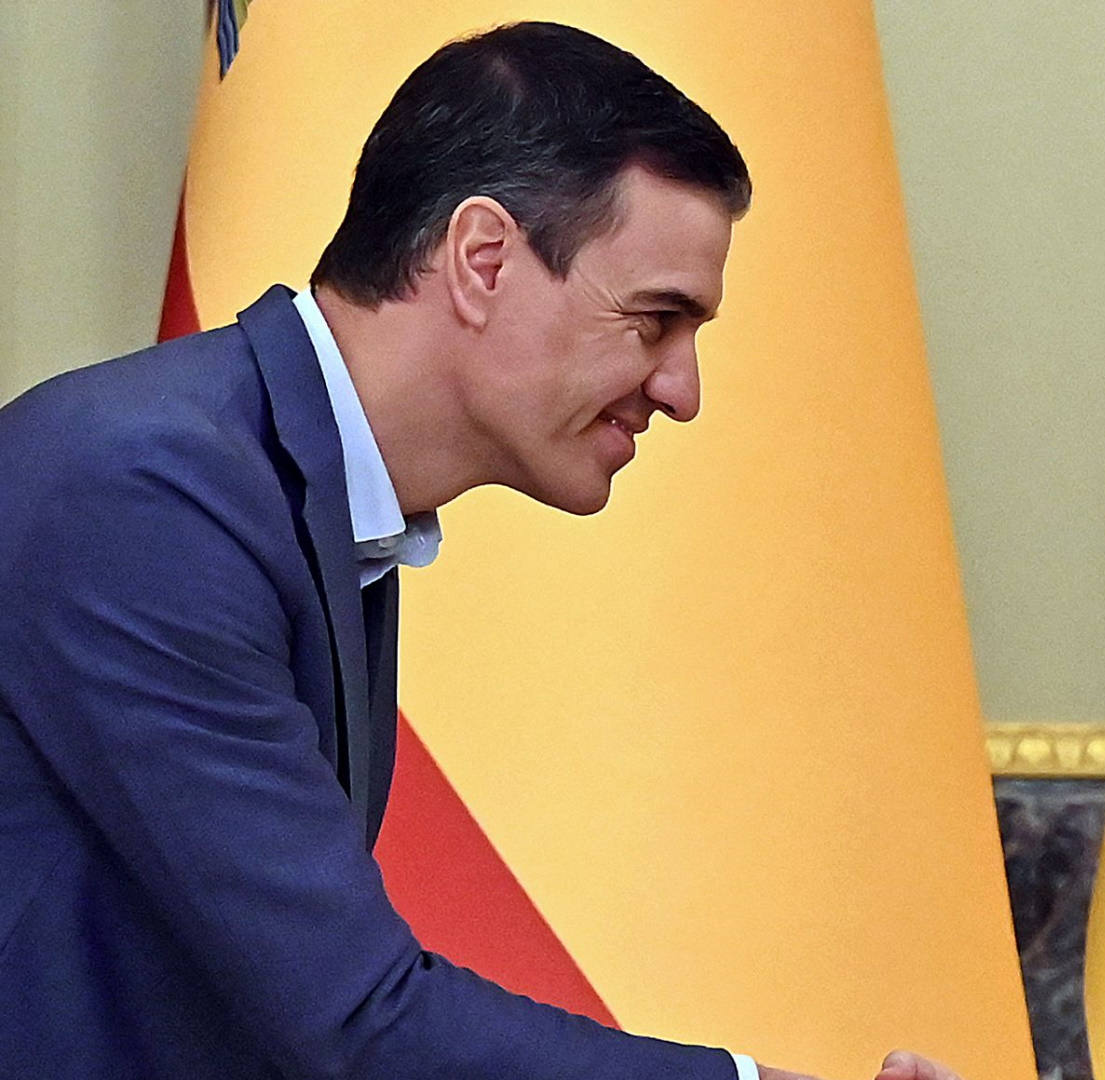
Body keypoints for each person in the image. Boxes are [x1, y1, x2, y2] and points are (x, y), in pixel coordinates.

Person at [0, 22, 955, 1080]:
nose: (683, 392)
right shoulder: (152, 492)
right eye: (655, 319)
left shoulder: (295, 494)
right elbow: (355, 1023)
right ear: (483, 259)